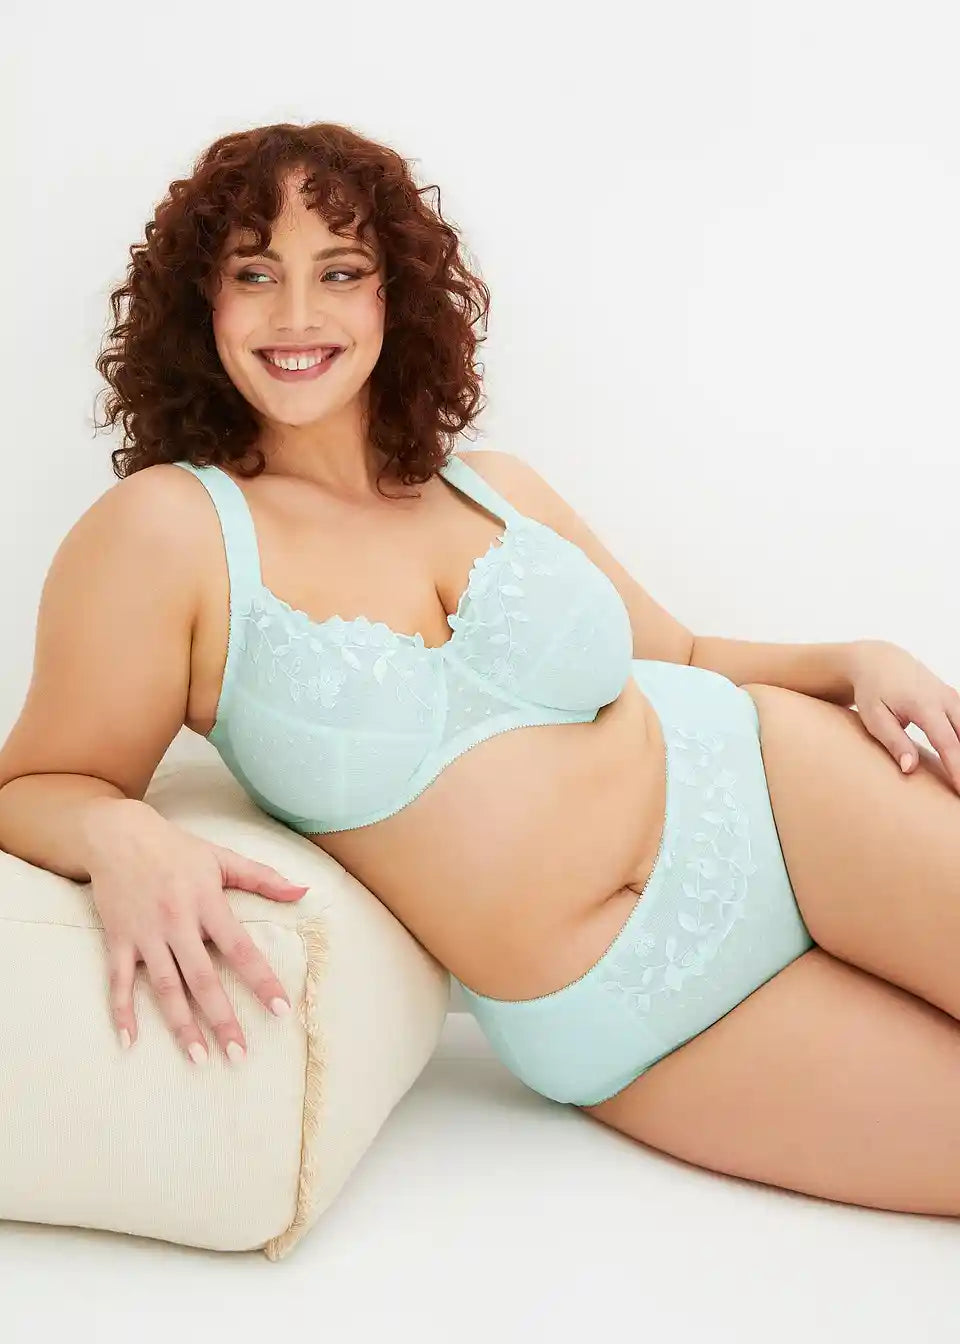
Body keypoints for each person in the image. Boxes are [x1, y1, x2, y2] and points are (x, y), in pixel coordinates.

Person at [3, 120, 960, 1218]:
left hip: (782, 791)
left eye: (340, 271)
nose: (297, 314)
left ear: (395, 297)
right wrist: (118, 833)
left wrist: (852, 658)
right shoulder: (165, 532)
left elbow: (686, 655)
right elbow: (39, 781)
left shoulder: (493, 485)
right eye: (254, 275)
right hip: (633, 1009)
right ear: (199, 305)